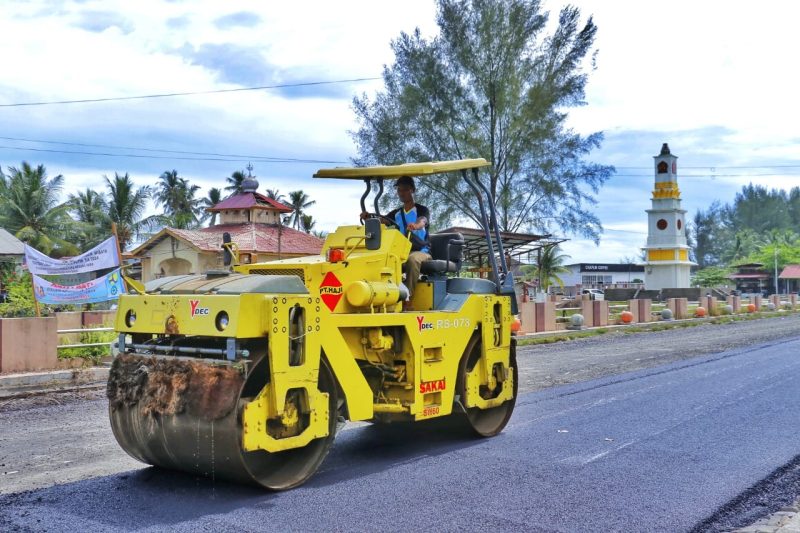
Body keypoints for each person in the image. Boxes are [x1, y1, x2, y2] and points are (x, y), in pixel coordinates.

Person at [362, 176, 431, 298]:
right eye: (399, 190)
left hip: (421, 251)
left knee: (412, 260)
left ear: (412, 190)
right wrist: (368, 218)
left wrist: (416, 225)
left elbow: (423, 221)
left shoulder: (421, 210)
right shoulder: (396, 213)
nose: (401, 193)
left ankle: (408, 298)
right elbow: (383, 220)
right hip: (401, 251)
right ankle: (384, 296)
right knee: (384, 260)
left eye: (405, 189)